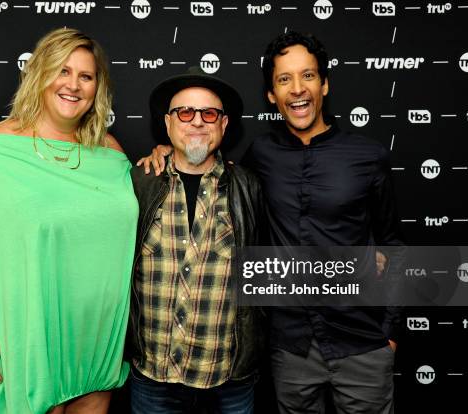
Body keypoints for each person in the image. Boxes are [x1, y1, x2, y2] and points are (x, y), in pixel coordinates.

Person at [139, 32, 403, 413]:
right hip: (290, 346)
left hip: (361, 341)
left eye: (308, 76)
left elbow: (393, 244)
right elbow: (201, 157)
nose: (298, 89)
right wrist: (166, 149)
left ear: (324, 84)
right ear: (271, 95)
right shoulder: (259, 157)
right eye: (284, 79)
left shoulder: (368, 155)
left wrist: (390, 333)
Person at [0, 28, 138, 414]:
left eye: (86, 76)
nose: (74, 85)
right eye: (63, 71)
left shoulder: (110, 151)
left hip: (96, 339)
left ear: (98, 88)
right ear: (40, 75)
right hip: (29, 333)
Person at [128, 67, 266, 413]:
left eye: (209, 113)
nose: (197, 122)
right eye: (185, 112)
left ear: (223, 124)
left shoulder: (248, 186)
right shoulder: (139, 183)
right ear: (168, 123)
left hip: (228, 381)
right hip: (153, 377)